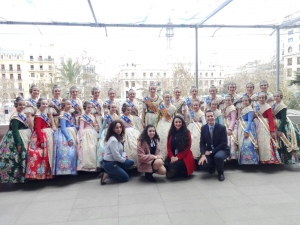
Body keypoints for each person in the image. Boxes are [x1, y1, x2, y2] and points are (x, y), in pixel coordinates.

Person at [0, 97, 31, 183]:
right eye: (20, 105)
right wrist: (18, 144)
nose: (22, 106)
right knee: (17, 157)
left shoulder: (23, 114)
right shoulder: (15, 116)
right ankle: (16, 177)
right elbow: (15, 131)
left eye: (23, 105)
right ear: (16, 105)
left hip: (25, 135)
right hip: (16, 138)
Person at [98, 120, 134, 184]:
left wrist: (124, 156)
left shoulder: (117, 137)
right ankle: (107, 175)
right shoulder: (113, 140)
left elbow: (121, 151)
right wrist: (123, 159)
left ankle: (117, 171)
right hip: (110, 164)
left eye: (120, 127)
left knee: (131, 162)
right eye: (116, 128)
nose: (119, 129)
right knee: (125, 178)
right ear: (113, 129)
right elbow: (116, 156)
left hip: (115, 161)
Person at [25, 98, 54, 179]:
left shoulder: (44, 114)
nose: (45, 105)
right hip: (42, 136)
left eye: (46, 104)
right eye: (43, 104)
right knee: (41, 155)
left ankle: (48, 172)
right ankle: (41, 174)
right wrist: (41, 140)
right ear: (39, 105)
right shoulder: (38, 116)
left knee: (49, 155)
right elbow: (37, 129)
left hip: (47, 135)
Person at [198, 110, 230, 181]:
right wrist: (203, 154)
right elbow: (202, 143)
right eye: (208, 116)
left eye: (211, 116)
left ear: (214, 117)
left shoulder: (222, 128)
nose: (210, 118)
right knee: (202, 165)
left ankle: (220, 173)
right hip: (210, 150)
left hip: (222, 149)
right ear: (206, 118)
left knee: (218, 157)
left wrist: (212, 152)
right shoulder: (203, 128)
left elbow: (224, 144)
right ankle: (212, 166)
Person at [273, 91, 300, 164]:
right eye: (274, 96)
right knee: (279, 143)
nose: (276, 98)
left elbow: (284, 118)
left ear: (280, 97)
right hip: (277, 123)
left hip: (283, 125)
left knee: (285, 142)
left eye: (277, 96)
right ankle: (281, 159)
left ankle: (289, 159)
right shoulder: (275, 104)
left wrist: (280, 130)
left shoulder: (282, 106)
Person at [254, 92, 280, 164]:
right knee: (259, 143)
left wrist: (271, 130)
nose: (261, 99)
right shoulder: (256, 106)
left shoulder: (267, 107)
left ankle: (268, 159)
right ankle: (260, 159)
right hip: (257, 125)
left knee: (265, 142)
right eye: (260, 98)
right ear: (258, 99)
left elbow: (271, 119)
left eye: (263, 97)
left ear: (265, 98)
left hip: (265, 126)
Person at [53, 99, 77, 175]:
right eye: (67, 104)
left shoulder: (68, 113)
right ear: (63, 106)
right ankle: (64, 171)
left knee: (72, 153)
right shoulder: (63, 114)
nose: (69, 106)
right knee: (67, 153)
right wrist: (69, 138)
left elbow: (70, 124)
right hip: (65, 135)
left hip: (71, 132)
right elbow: (63, 128)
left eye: (70, 104)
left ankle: (71, 170)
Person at [76, 101, 98, 171]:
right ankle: (85, 166)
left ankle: (93, 166)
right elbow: (81, 128)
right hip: (86, 134)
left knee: (93, 149)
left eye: (90, 108)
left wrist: (96, 128)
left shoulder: (92, 116)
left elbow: (94, 125)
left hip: (93, 133)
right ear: (85, 108)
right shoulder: (83, 117)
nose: (89, 109)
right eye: (88, 107)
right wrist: (80, 137)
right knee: (86, 149)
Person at [237, 96, 259, 165]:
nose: (244, 102)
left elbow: (250, 121)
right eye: (243, 101)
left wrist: (246, 131)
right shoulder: (244, 109)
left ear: (249, 101)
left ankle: (251, 162)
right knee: (243, 145)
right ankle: (244, 162)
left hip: (248, 128)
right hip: (243, 127)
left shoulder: (250, 109)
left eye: (246, 101)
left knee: (248, 145)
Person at [97, 102, 119, 166]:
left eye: (115, 107)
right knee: (104, 147)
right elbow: (103, 126)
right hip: (108, 132)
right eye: (112, 107)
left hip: (115, 132)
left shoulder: (117, 116)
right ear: (109, 108)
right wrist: (99, 135)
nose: (113, 108)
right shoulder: (107, 116)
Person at [156, 91, 176, 159]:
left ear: (170, 98)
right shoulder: (161, 106)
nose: (167, 98)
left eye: (168, 97)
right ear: (163, 98)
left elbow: (175, 117)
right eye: (166, 97)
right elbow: (158, 117)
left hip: (170, 123)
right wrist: (155, 126)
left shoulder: (173, 107)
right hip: (162, 123)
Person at [223, 95, 238, 160]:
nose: (227, 101)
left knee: (232, 141)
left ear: (232, 101)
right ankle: (226, 156)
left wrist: (230, 128)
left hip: (232, 126)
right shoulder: (226, 107)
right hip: (226, 124)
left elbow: (233, 119)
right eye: (226, 100)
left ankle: (233, 157)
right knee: (226, 141)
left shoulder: (232, 108)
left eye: (229, 100)